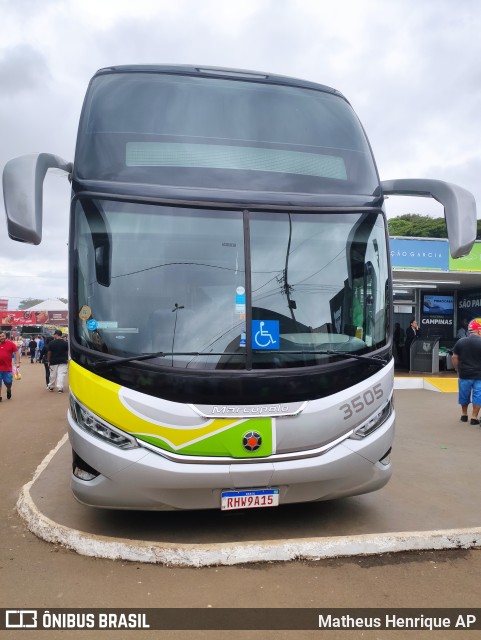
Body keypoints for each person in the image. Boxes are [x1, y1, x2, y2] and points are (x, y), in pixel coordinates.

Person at [452, 318, 481, 425]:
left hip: (464, 374)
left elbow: (455, 357)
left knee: (464, 395)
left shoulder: (461, 341)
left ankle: (464, 415)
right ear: (479, 330)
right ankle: (474, 417)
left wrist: (457, 369)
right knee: (478, 396)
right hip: (479, 375)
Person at [0, 331, 21, 402]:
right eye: (0, 336)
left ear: (5, 336)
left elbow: (16, 352)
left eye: (3, 336)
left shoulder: (11, 344)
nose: (1, 337)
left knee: (8, 382)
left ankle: (8, 389)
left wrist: (17, 362)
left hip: (7, 368)